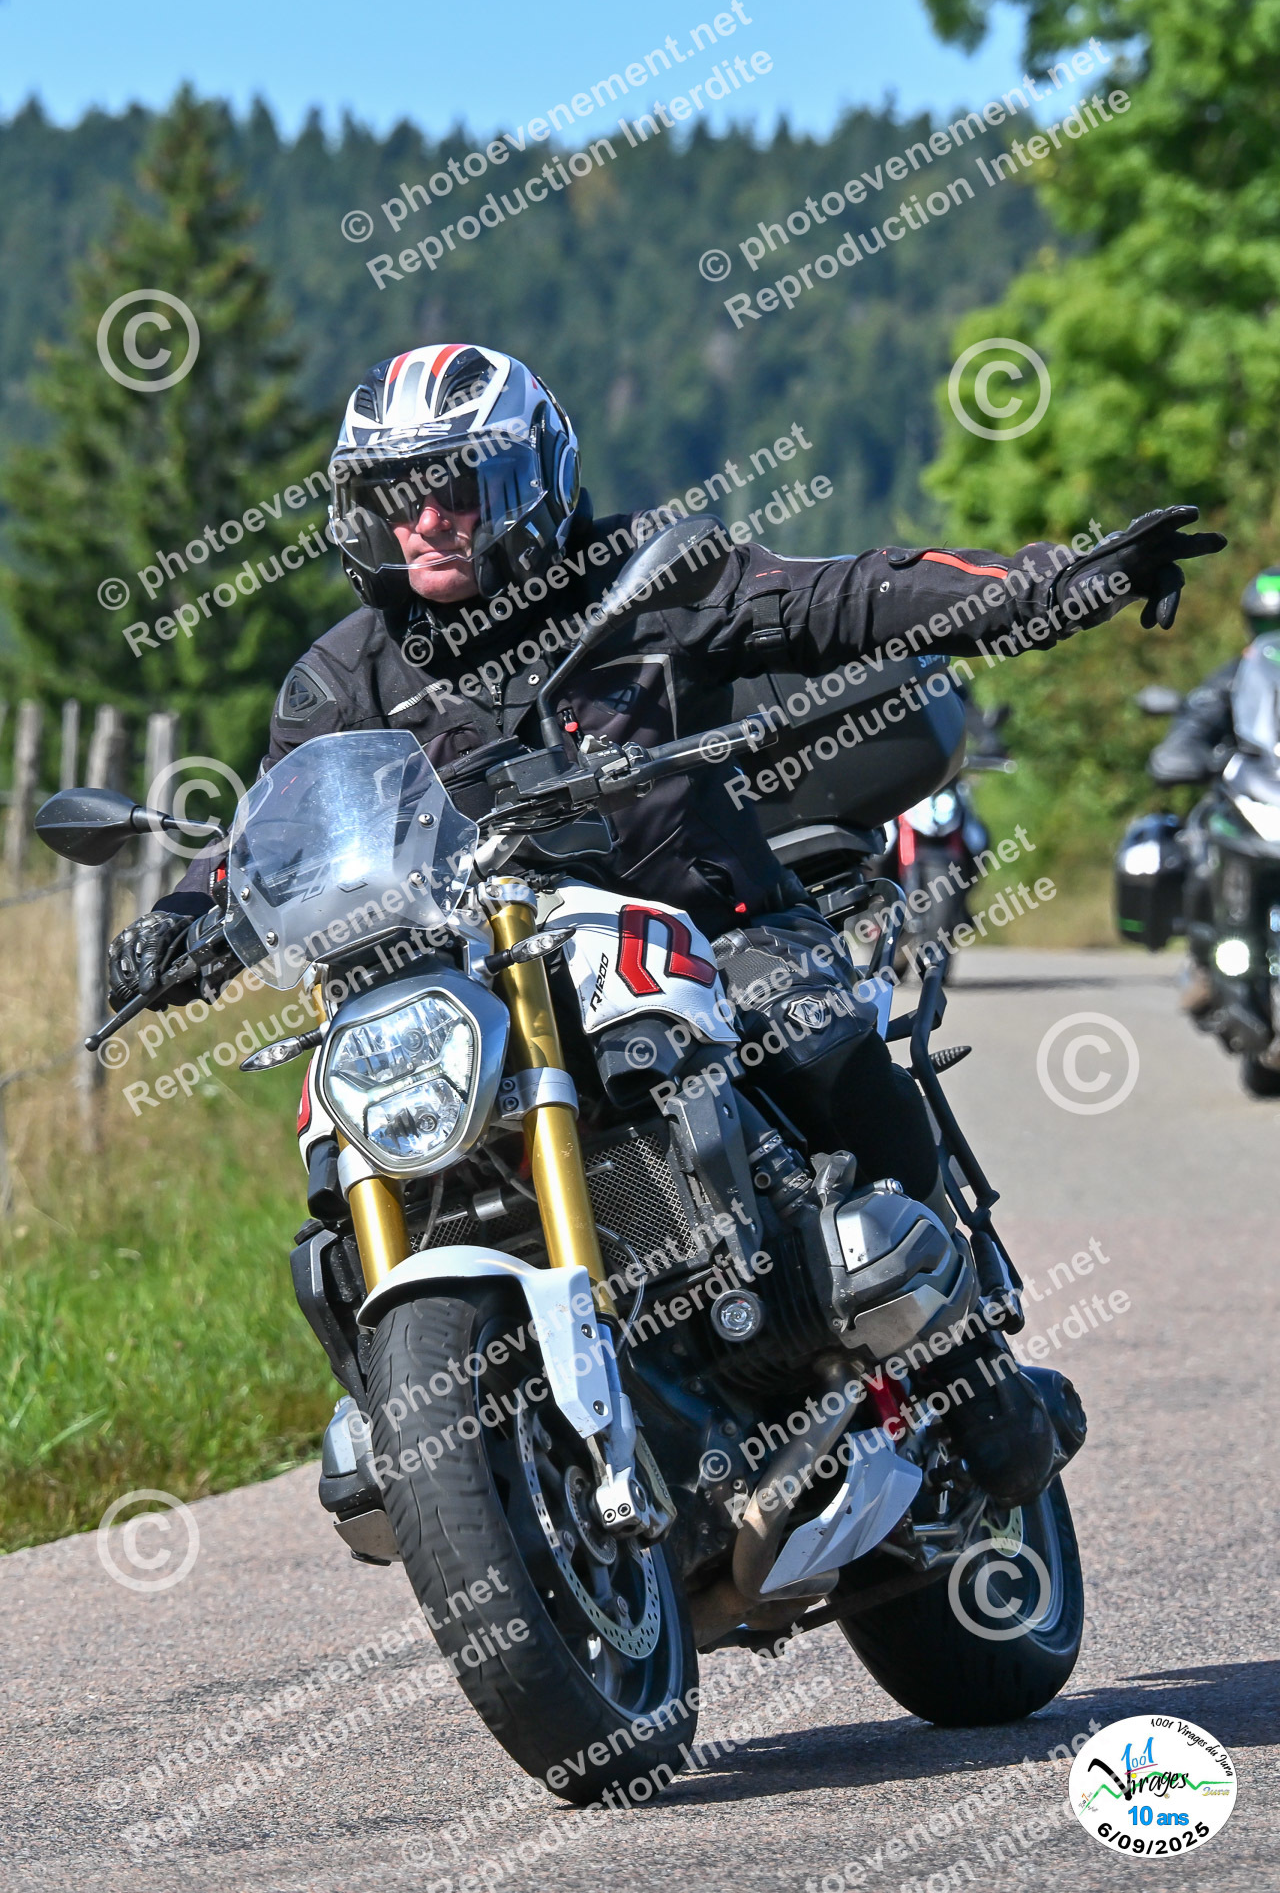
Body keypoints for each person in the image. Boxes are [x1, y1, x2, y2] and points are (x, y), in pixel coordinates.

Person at [108, 342, 1226, 1504]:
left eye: (456, 487)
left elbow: (846, 595)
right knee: (344, 1157)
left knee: (812, 1039)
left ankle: (962, 1366)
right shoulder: (343, 677)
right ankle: (441, 1441)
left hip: (703, 925)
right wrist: (183, 916)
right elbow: (275, 826)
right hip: (469, 980)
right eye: (397, 494)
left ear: (528, 482)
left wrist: (1050, 584)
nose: (426, 518)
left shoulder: (643, 583)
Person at [1148, 568, 1280, 1012]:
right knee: (1202, 843)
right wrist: (1182, 752)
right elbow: (1196, 719)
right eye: (1270, 624)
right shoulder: (1234, 678)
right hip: (1250, 799)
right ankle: (1205, 958)